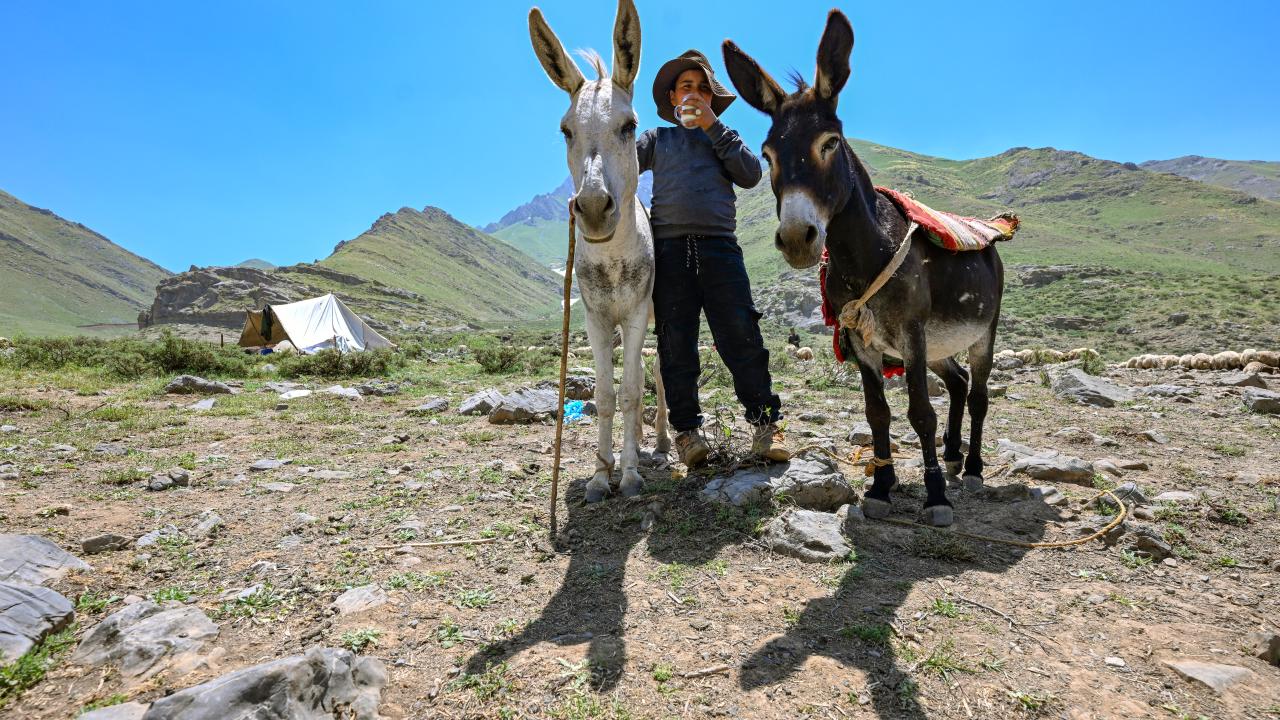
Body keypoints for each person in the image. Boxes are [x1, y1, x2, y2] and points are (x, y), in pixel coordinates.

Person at [637, 50, 789, 468]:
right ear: (672, 97)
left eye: (703, 89)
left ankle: (765, 425)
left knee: (741, 334)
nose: (695, 95)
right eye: (687, 87)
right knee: (676, 343)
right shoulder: (657, 139)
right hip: (669, 252)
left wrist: (714, 127)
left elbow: (751, 174)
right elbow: (623, 165)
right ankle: (687, 434)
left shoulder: (724, 136)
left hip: (720, 247)